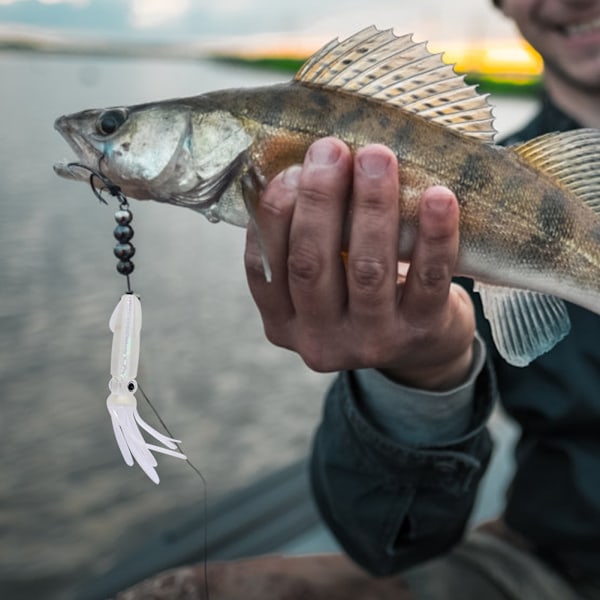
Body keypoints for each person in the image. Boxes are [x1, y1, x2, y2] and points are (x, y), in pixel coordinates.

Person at [116, 1, 600, 598]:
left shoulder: (512, 184)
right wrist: (421, 375)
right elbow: (388, 543)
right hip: (558, 556)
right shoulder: (497, 189)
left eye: (114, 127)